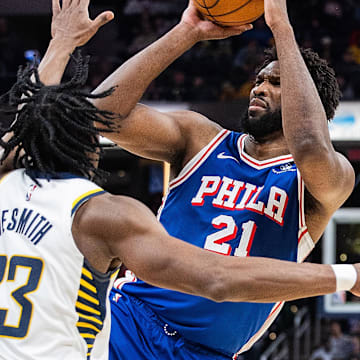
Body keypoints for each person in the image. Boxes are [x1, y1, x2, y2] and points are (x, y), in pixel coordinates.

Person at [0, 1, 358, 360]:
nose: (260, 88)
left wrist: (282, 28)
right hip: (131, 322)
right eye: (260, 79)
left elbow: (310, 145)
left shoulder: (325, 178)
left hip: (208, 352)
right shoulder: (201, 137)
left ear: (308, 99)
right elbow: (100, 116)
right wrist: (186, 32)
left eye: (277, 82)